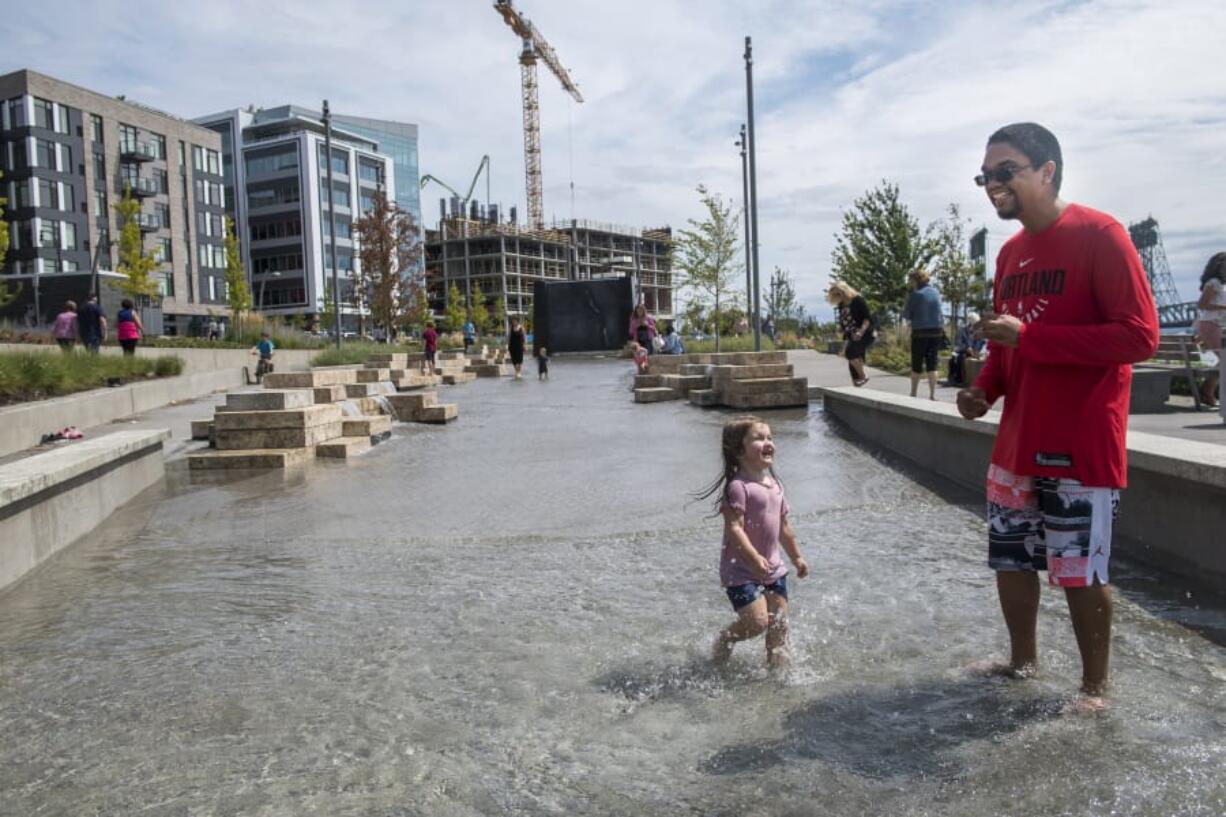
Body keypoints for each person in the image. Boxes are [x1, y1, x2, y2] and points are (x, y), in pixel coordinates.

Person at [957, 122, 1159, 714]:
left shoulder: (1101, 235)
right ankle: (1022, 661)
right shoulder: (1011, 254)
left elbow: (1140, 336)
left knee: (1079, 570)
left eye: (1005, 171)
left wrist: (1033, 338)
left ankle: (1094, 688)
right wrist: (984, 391)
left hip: (1081, 439)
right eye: (985, 176)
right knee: (1011, 558)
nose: (992, 184)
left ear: (1047, 170)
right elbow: (1006, 345)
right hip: (1017, 440)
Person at [696, 416, 810, 668]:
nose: (768, 442)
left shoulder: (776, 485)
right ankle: (726, 638)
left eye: (769, 437)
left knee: (779, 628)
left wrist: (797, 557)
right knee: (758, 623)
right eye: (758, 438)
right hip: (740, 571)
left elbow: (784, 527)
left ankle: (777, 681)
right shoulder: (738, 487)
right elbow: (734, 528)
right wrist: (752, 557)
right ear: (739, 450)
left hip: (773, 568)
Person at [902, 269, 944, 400]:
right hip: (936, 332)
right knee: (932, 363)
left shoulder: (916, 294)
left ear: (916, 280)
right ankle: (932, 395)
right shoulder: (936, 292)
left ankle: (913, 394)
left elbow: (906, 314)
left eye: (911, 281)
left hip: (920, 333)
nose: (911, 284)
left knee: (917, 363)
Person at [1193, 252, 1226, 407]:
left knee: (1223, 359)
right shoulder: (1214, 283)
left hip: (1210, 324)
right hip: (1210, 324)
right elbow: (1202, 304)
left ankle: (1207, 391)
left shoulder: (1217, 283)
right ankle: (1207, 392)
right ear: (1219, 266)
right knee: (1224, 359)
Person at [827, 281, 874, 386]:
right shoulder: (841, 305)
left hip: (865, 333)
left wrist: (860, 332)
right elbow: (844, 320)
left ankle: (863, 376)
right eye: (835, 295)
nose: (839, 296)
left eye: (839, 293)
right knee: (853, 362)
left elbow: (867, 319)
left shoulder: (857, 300)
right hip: (851, 335)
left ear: (845, 291)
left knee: (850, 353)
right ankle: (857, 387)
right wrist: (842, 329)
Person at [947, 311, 987, 386]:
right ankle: (957, 379)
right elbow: (959, 342)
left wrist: (977, 350)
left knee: (964, 358)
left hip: (976, 352)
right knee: (956, 358)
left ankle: (961, 379)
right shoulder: (963, 330)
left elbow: (982, 342)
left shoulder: (980, 331)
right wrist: (967, 348)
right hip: (964, 351)